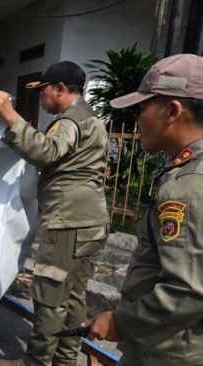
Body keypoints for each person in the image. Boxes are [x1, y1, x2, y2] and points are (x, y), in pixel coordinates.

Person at [0, 61, 110, 366]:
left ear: (61, 89)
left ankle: (36, 363)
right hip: (89, 221)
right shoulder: (91, 119)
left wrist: (11, 117)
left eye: (45, 91)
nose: (42, 98)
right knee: (73, 297)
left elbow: (47, 151)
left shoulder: (70, 120)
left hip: (68, 222)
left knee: (50, 298)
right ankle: (65, 361)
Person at [83, 54, 203, 365]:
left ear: (173, 111)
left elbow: (188, 291)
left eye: (143, 109)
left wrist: (121, 322)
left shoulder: (189, 185)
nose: (138, 120)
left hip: (170, 351)